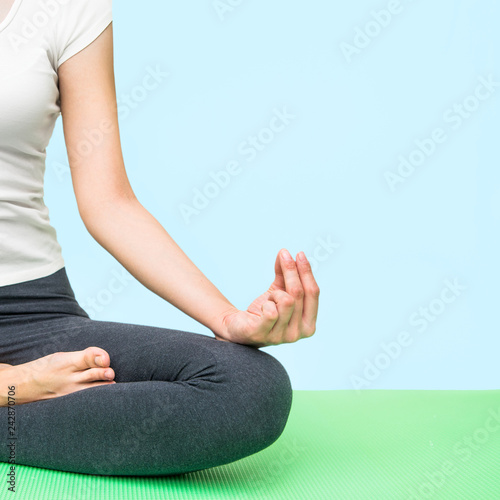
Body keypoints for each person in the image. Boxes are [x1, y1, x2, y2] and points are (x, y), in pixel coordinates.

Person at [0, 0, 320, 476]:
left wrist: (227, 319)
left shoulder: (69, 8)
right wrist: (13, 385)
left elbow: (109, 202)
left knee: (248, 388)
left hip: (31, 312)